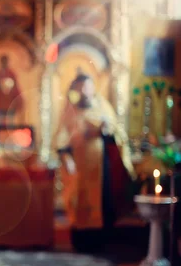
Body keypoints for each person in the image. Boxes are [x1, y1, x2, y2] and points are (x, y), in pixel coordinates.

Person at [54, 70, 135, 253]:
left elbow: (116, 134)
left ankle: (101, 244)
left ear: (93, 88)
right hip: (78, 166)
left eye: (88, 86)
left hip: (100, 166)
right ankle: (81, 243)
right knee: (79, 200)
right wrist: (66, 158)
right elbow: (61, 139)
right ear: (75, 89)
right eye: (81, 87)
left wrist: (105, 130)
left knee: (101, 201)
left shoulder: (102, 107)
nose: (84, 91)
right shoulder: (69, 110)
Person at [0, 55, 23, 129]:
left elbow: (16, 88)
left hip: (9, 104)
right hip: (0, 104)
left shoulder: (11, 74)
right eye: (3, 61)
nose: (4, 63)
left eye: (6, 61)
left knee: (10, 125)